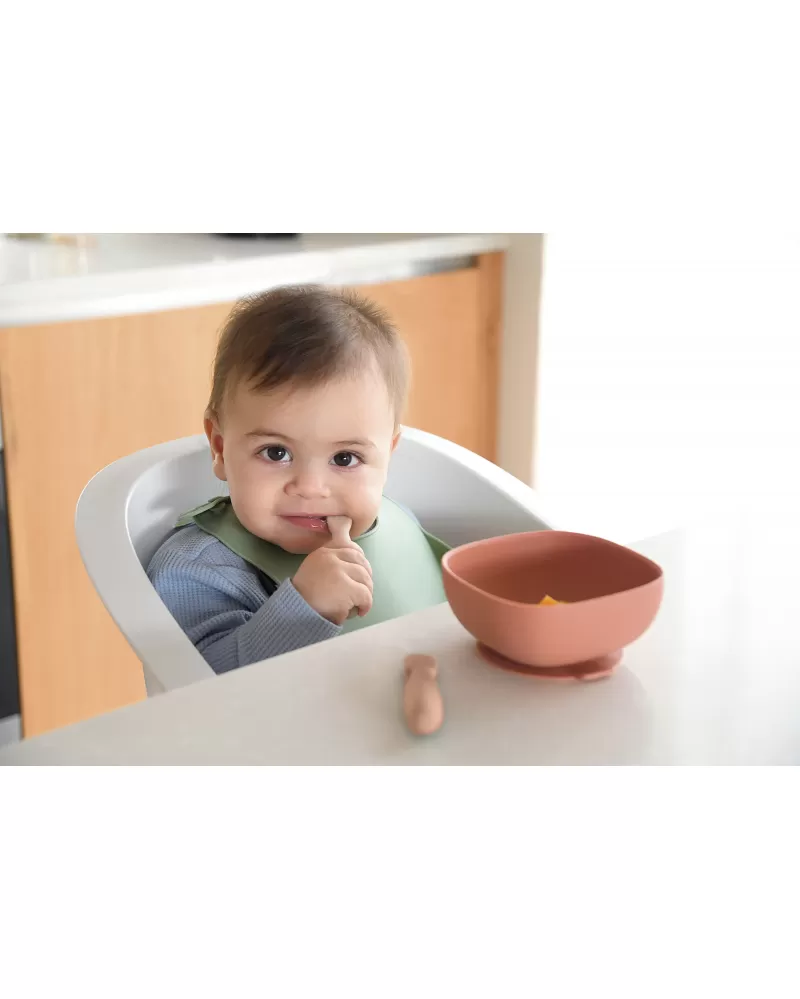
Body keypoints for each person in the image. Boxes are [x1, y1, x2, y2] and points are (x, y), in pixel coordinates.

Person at [147, 286, 448, 674]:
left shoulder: (399, 525)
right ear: (220, 448)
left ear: (387, 455)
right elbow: (199, 688)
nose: (310, 487)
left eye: (345, 458)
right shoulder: (196, 570)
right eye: (276, 452)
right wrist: (304, 610)